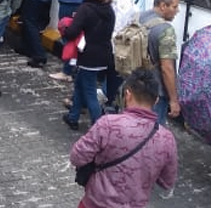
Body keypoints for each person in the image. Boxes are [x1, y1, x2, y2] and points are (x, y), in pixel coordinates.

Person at [69, 69, 178, 208]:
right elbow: (167, 182)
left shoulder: (108, 124)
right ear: (156, 100)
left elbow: (76, 157)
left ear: (127, 94)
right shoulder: (166, 138)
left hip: (96, 203)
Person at [60, 0, 116, 130]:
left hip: (88, 55)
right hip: (104, 53)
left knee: (90, 91)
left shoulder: (85, 8)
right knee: (80, 83)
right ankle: (73, 117)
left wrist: (64, 29)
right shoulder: (109, 10)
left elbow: (72, 31)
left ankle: (98, 126)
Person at [140, 0, 181, 123]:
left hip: (136, 83)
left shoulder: (140, 17)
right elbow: (167, 69)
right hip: (155, 92)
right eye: (175, 7)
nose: (178, 11)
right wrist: (174, 100)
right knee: (153, 134)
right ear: (163, 5)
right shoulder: (166, 30)